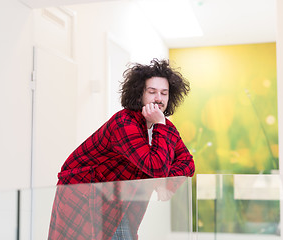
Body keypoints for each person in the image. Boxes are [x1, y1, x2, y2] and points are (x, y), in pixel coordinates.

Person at [48, 59, 195, 240]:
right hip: (83, 193)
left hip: (119, 199)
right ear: (139, 94)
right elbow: (156, 168)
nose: (159, 98)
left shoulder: (166, 127)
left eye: (164, 93)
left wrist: (167, 185)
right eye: (152, 92)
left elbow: (188, 163)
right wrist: (161, 179)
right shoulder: (124, 122)